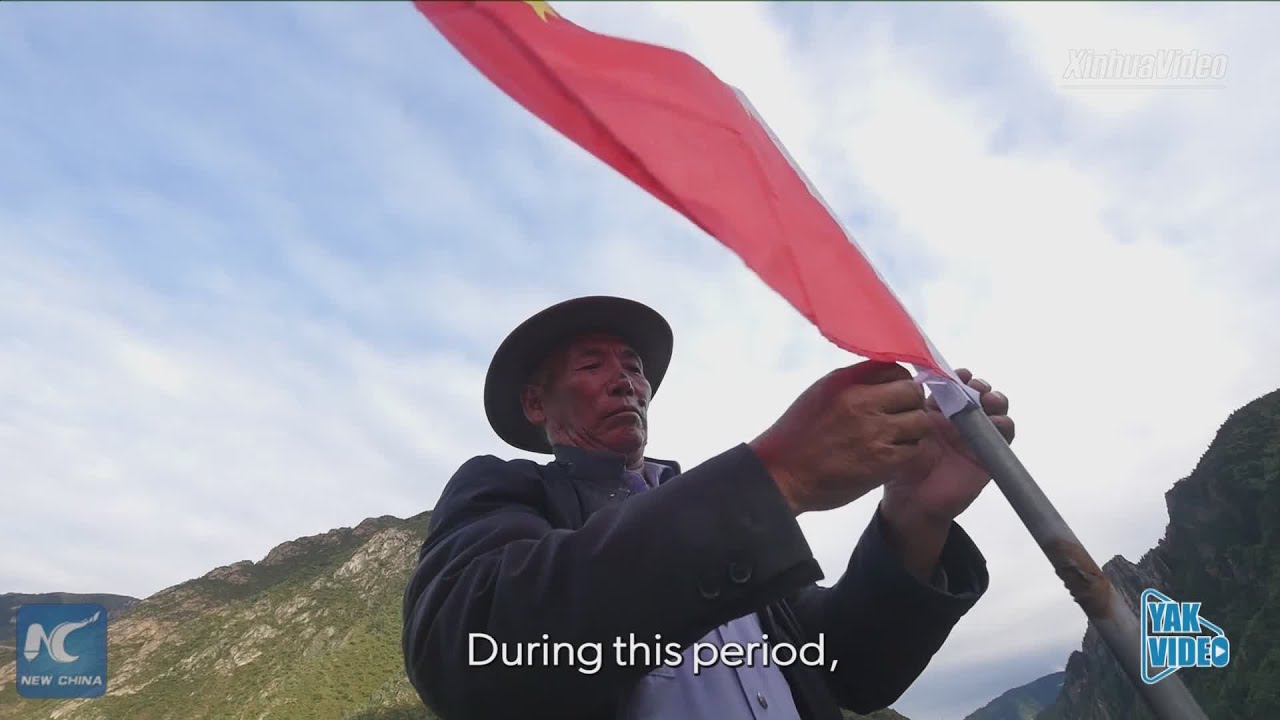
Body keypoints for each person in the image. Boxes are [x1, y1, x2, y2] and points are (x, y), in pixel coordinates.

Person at [402, 295, 1015, 720]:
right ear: (537, 406)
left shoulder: (730, 533)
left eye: (635, 369)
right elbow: (469, 649)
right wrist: (778, 474)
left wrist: (914, 517)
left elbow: (850, 670)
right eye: (592, 365)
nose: (626, 381)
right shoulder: (512, 491)